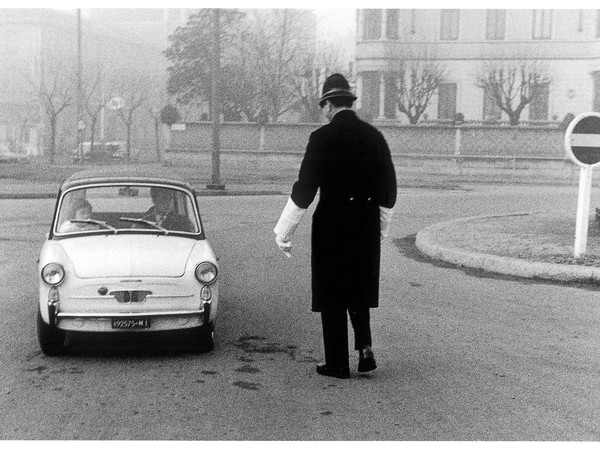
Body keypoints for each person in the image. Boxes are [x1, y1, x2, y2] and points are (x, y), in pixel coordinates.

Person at [274, 73, 397, 379]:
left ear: (329, 104)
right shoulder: (374, 137)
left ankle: (337, 362)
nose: (324, 113)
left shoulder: (321, 138)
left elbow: (305, 189)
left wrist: (283, 232)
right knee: (357, 284)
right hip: (365, 219)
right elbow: (389, 190)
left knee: (331, 290)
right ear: (349, 103)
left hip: (332, 220)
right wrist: (379, 227)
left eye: (324, 107)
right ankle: (365, 346)